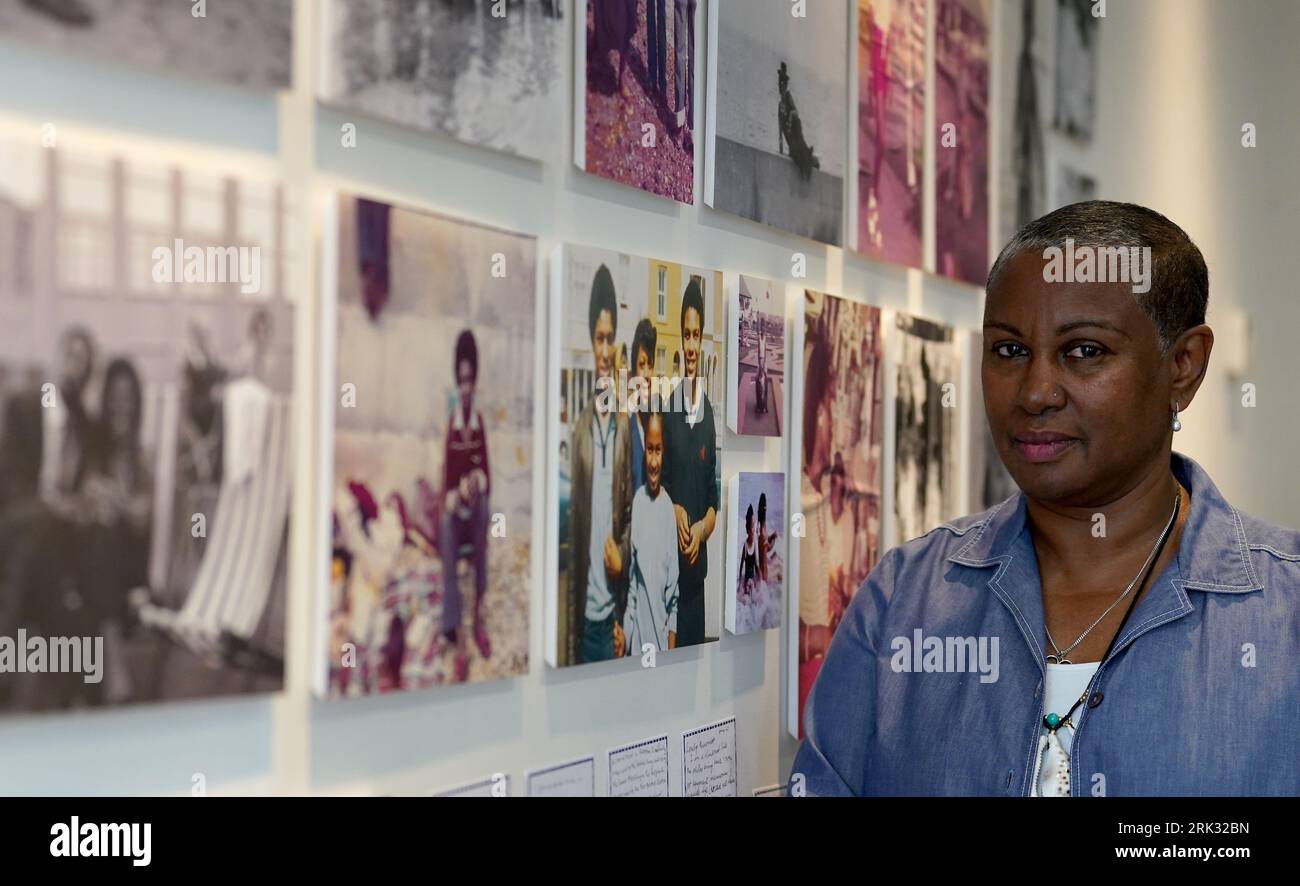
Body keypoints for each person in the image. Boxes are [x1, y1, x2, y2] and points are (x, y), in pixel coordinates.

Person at [792, 201, 1300, 796]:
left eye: (1084, 351)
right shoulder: (905, 600)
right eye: (1009, 351)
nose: (1034, 393)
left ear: (1183, 366)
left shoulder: (1283, 618)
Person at [567, 266, 632, 664]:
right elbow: (573, 536)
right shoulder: (579, 433)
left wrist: (622, 555)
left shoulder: (625, 430)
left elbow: (631, 519)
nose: (606, 351)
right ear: (592, 343)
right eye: (599, 339)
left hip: (614, 624)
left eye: (610, 339)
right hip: (584, 623)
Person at [661, 279, 718, 646]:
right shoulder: (669, 409)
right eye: (687, 334)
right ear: (681, 341)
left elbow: (713, 500)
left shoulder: (709, 414)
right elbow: (659, 485)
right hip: (670, 573)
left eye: (697, 335)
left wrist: (701, 530)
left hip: (698, 578)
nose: (692, 344)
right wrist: (676, 510)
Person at [439, 330, 492, 683]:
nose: (466, 387)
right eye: (461, 381)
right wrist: (457, 492)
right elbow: (444, 484)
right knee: (445, 524)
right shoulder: (453, 425)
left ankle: (479, 615)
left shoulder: (479, 424)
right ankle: (458, 635)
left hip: (474, 511)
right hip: (455, 513)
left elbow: (487, 472)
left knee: (485, 509)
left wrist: (477, 482)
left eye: (470, 380)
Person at [623, 410, 678, 654]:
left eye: (659, 450)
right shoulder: (637, 503)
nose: (654, 461)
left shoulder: (668, 510)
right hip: (635, 648)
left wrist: (671, 655)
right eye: (649, 450)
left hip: (661, 650)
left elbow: (673, 598)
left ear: (664, 453)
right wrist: (624, 640)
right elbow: (633, 589)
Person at [628, 318, 658, 493]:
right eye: (641, 365)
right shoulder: (625, 431)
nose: (646, 373)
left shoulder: (659, 427)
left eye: (650, 364)